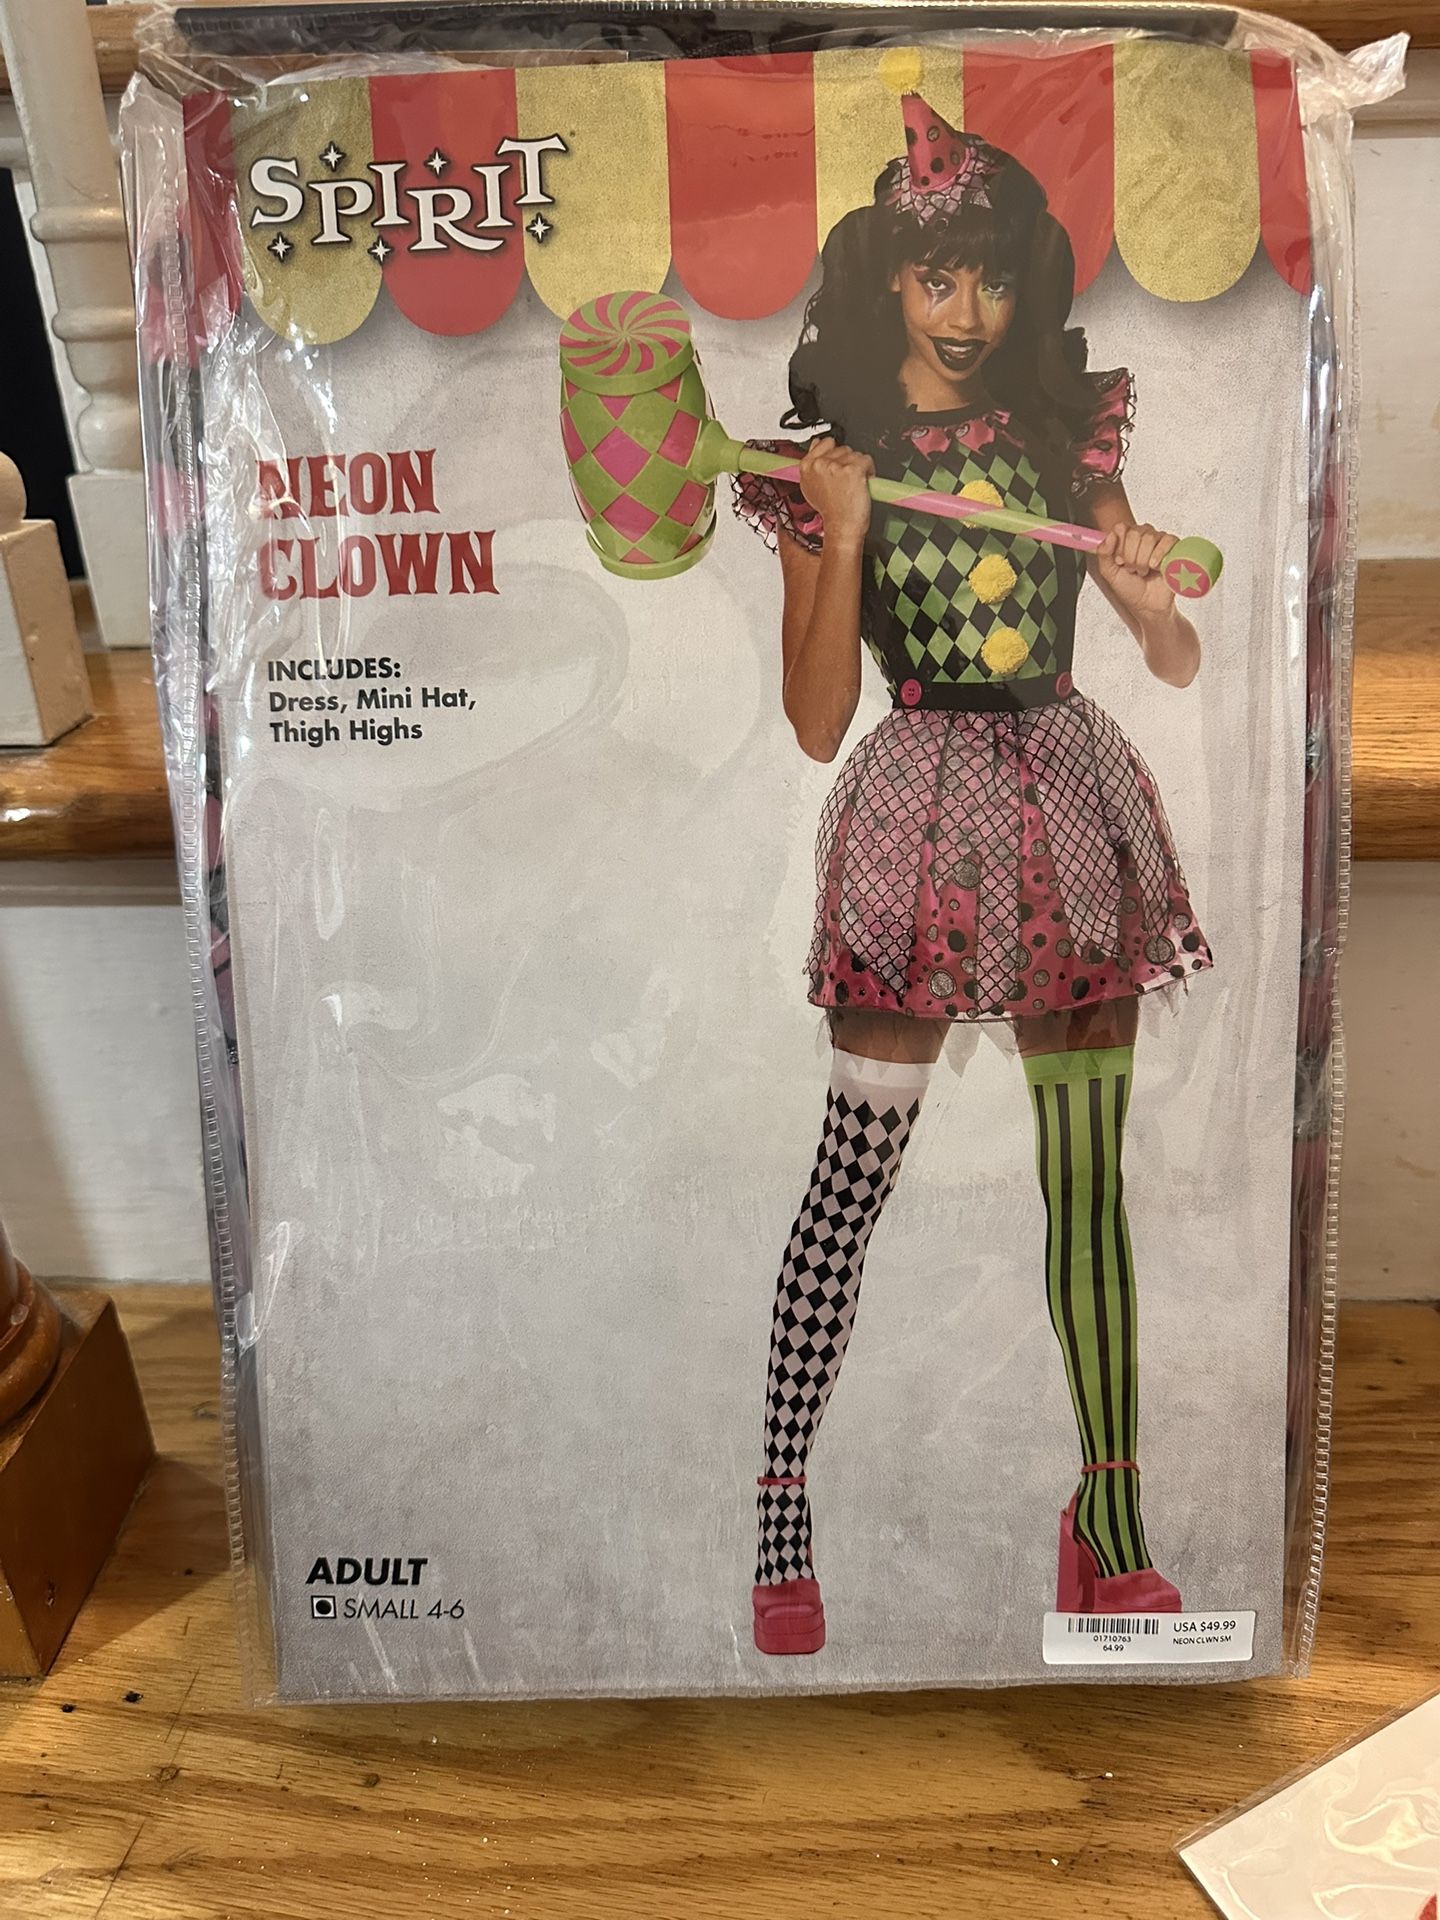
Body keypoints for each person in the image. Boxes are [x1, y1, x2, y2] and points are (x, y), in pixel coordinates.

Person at [735, 97, 1212, 1656]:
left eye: (993, 279)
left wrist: (1147, 592)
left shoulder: (1065, 440)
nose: (966, 309)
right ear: (886, 281)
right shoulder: (826, 469)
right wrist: (839, 532)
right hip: (918, 822)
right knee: (852, 1177)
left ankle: (1112, 1523)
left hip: (1068, 809)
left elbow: (1172, 653)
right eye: (936, 278)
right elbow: (820, 723)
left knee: (1088, 1183)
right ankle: (781, 1501)